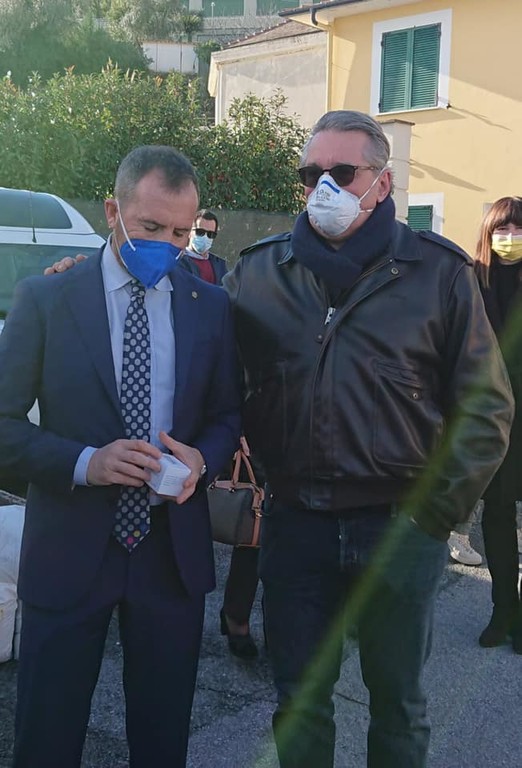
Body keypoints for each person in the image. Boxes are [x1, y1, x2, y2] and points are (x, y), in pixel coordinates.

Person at [222, 111, 514, 768]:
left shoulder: (438, 273)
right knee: (299, 703)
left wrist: (432, 517)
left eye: (341, 172)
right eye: (310, 174)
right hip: (296, 526)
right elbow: (196, 345)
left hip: (397, 526)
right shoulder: (260, 273)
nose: (322, 187)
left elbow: (487, 409)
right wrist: (81, 276)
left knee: (398, 707)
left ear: (382, 183)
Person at [0, 145, 241, 767]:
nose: (167, 245)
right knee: (46, 738)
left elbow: (226, 416)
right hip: (69, 546)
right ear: (113, 211)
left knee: (162, 741)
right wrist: (86, 462)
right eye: (151, 227)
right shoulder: (47, 299)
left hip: (169, 553)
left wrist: (202, 463)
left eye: (182, 233)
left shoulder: (210, 307)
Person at [180, 212, 261, 658]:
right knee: (243, 518)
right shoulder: (188, 272)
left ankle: (244, 618)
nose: (204, 239)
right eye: (199, 231)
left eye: (211, 234)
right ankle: (232, 616)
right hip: (233, 424)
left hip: (277, 430)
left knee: (263, 528)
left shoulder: (224, 269)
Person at [473, 196, 522, 652]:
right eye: (501, 229)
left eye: (518, 229)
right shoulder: (472, 281)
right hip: (492, 417)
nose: (510, 237)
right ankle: (503, 608)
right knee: (498, 514)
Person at [179, 208, 228, 284]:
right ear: (189, 232)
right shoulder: (178, 262)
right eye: (200, 232)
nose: (205, 237)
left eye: (210, 234)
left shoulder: (220, 265)